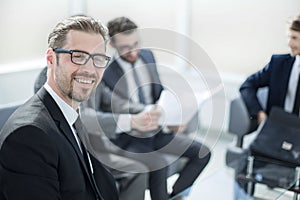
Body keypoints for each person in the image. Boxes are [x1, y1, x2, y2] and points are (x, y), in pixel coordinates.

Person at [85, 16, 211, 200]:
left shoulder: (148, 56)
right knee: (159, 164)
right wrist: (142, 116)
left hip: (158, 130)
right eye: (126, 47)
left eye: (136, 44)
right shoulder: (104, 72)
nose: (133, 51)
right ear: (112, 44)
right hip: (128, 137)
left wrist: (175, 115)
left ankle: (175, 196)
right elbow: (109, 111)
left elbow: (158, 91)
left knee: (203, 153)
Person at [0, 15, 118, 200]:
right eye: (78, 56)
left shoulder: (71, 117)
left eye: (98, 58)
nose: (89, 69)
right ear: (51, 59)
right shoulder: (28, 135)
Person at [34, 66, 149, 200]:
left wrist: (147, 110)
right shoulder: (48, 78)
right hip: (72, 154)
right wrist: (130, 121)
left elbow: (115, 103)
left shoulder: (91, 74)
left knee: (140, 169)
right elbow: (81, 117)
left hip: (98, 149)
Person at [237, 14, 300, 196]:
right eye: (288, 37)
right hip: (274, 134)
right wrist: (259, 113)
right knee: (242, 163)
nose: (289, 43)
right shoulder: (279, 63)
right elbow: (247, 85)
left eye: (294, 38)